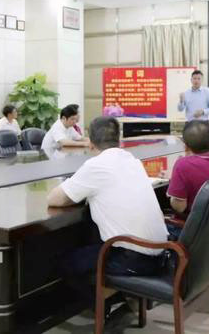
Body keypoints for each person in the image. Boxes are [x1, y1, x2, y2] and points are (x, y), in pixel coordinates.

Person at [47, 116, 168, 284]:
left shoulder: (96, 165)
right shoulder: (133, 161)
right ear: (119, 140)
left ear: (90, 143)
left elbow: (55, 199)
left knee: (65, 264)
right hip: (160, 253)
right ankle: (115, 296)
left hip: (133, 259)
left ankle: (99, 301)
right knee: (92, 239)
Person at [167, 120, 209, 216]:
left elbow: (180, 207)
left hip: (193, 223)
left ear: (185, 146)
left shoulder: (182, 165)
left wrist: (173, 182)